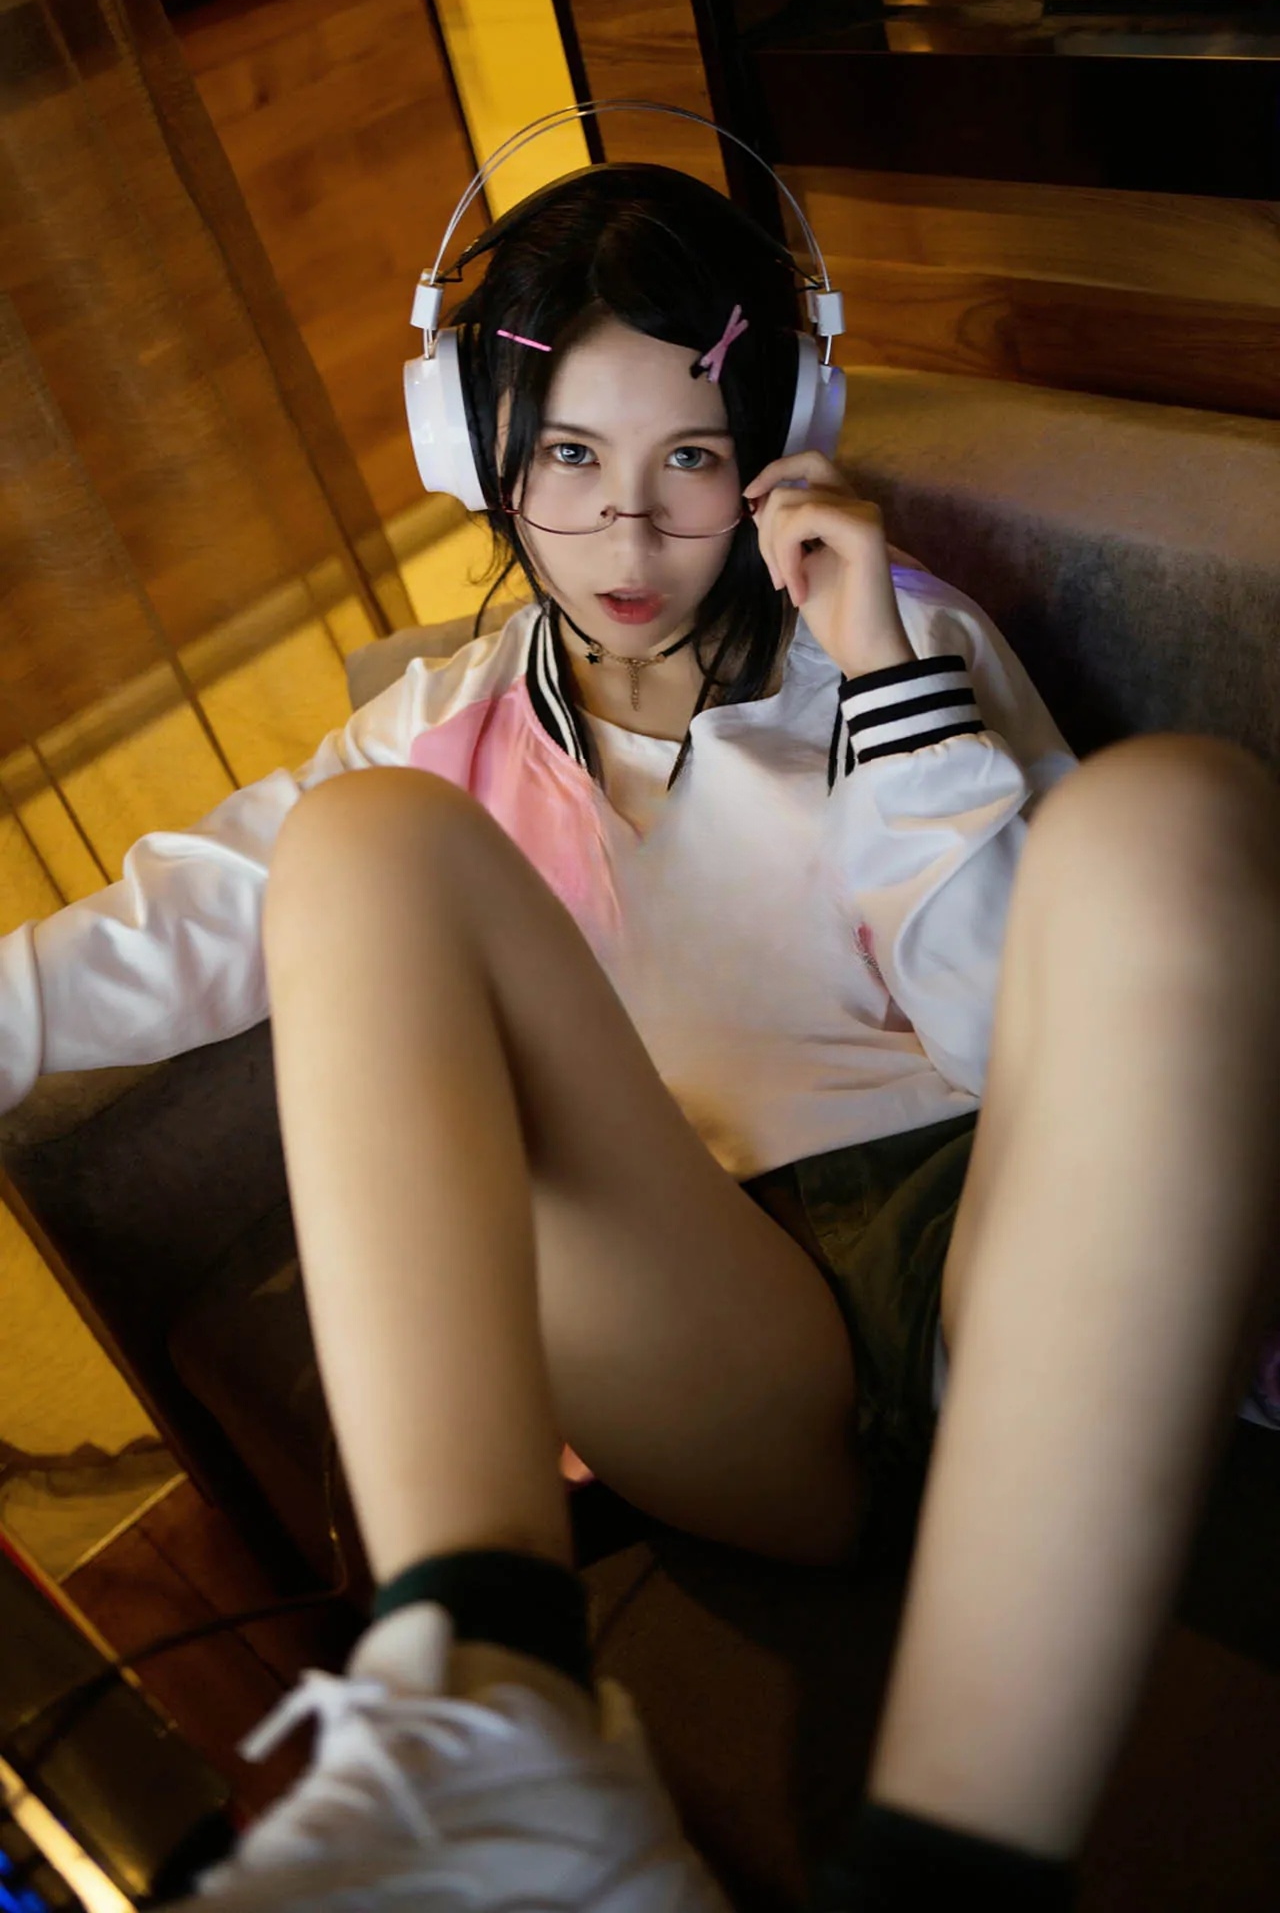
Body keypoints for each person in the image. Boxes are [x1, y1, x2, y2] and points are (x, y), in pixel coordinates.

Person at [3, 162, 1279, 1911]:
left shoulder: (901, 642)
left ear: (775, 442)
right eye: (568, 459)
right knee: (359, 846)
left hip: (1003, 1277)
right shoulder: (446, 730)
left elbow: (1022, 1043)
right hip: (718, 1346)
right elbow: (170, 927)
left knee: (1174, 814)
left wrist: (885, 681)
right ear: (478, 455)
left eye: (687, 458)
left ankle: (954, 1868)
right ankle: (484, 1712)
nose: (626, 535)